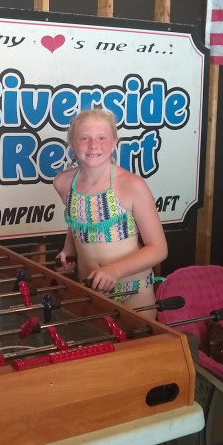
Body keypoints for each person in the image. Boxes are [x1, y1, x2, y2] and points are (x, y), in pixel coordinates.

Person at [54, 108, 167, 319]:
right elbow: (75, 221)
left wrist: (114, 271)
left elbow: (159, 249)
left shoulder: (132, 185)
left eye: (102, 138)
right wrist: (69, 250)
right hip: (89, 288)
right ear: (72, 144)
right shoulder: (63, 183)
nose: (93, 145)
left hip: (134, 291)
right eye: (84, 138)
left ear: (114, 143)